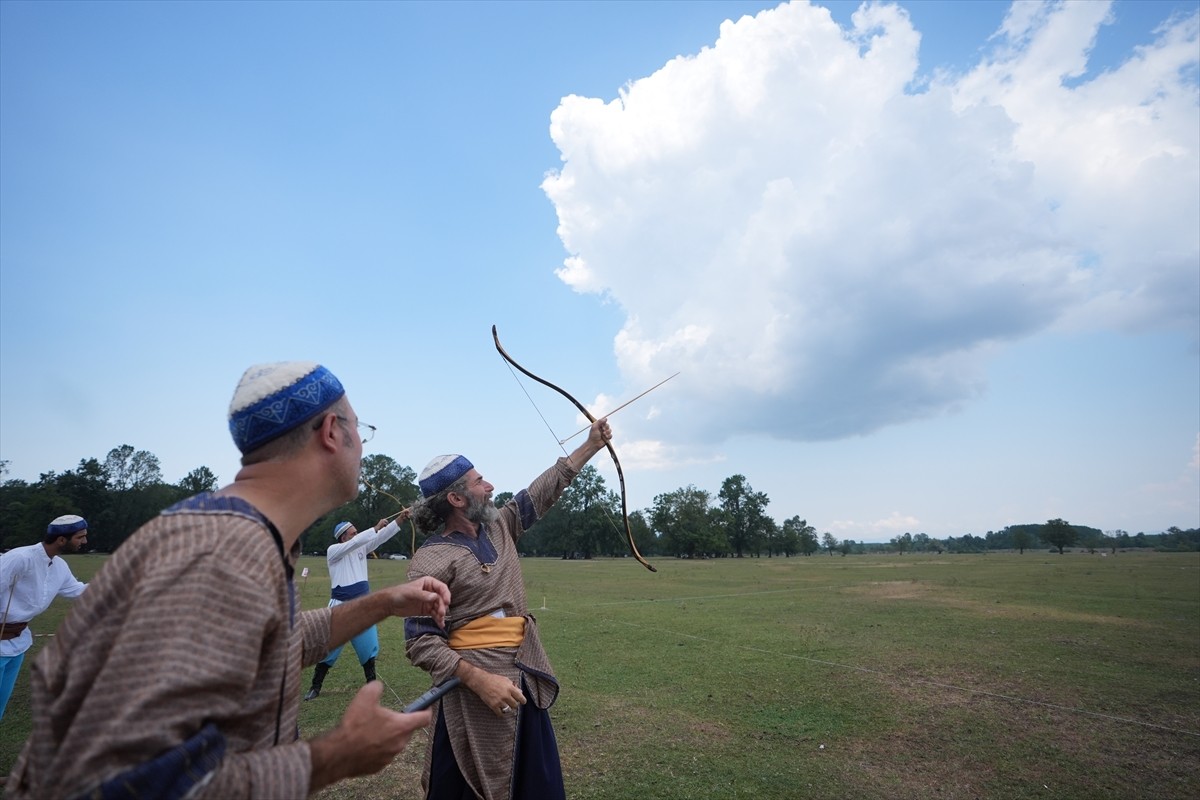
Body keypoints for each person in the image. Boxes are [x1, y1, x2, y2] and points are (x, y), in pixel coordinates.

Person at [5, 361, 451, 800]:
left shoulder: (242, 537)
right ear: (332, 431)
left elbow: (268, 643)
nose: (363, 446)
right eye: (362, 430)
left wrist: (385, 602)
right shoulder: (220, 556)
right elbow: (107, 782)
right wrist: (333, 756)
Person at [404, 417, 614, 800]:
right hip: (471, 693)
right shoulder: (428, 560)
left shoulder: (500, 526)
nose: (490, 486)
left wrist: (591, 445)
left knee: (536, 786)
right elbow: (420, 642)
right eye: (479, 481)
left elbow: (541, 491)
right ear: (456, 499)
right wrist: (477, 679)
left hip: (523, 673)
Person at [305, 514, 406, 701]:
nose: (357, 535)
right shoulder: (333, 551)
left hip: (363, 606)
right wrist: (374, 528)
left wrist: (399, 520)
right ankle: (315, 686)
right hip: (339, 608)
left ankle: (372, 685)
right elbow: (363, 539)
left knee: (368, 648)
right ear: (344, 537)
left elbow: (381, 537)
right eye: (353, 533)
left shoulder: (360, 547)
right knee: (329, 649)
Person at [0, 515, 89, 721]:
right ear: (61, 539)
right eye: (80, 537)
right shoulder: (21, 558)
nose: (84, 542)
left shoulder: (59, 566)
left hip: (18, 643)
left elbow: (79, 591)